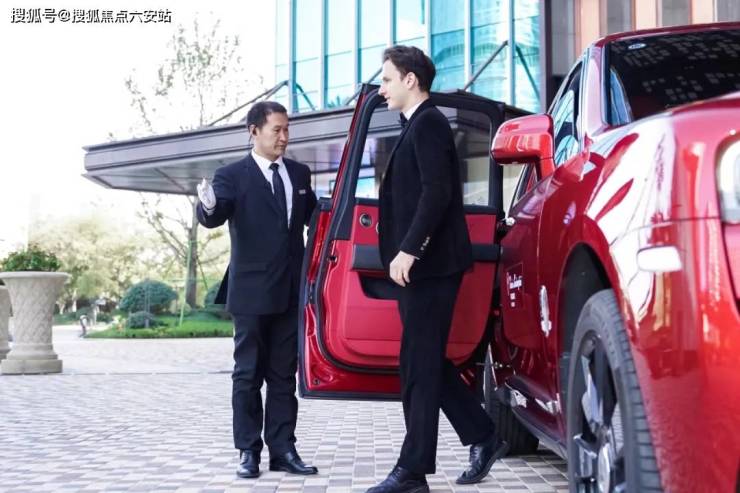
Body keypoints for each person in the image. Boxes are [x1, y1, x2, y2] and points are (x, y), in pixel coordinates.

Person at [367, 46, 509, 493]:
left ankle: (413, 472)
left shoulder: (428, 123)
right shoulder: (416, 125)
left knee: (418, 366)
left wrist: (410, 249)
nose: (381, 89)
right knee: (422, 361)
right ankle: (483, 434)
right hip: (422, 270)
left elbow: (438, 192)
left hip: (430, 267)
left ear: (410, 80)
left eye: (387, 79)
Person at [196, 101, 318, 479]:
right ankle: (248, 450)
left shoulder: (299, 173)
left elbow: (315, 220)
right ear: (254, 131)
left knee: (283, 375)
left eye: (287, 130)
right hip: (250, 292)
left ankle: (283, 450)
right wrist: (207, 205)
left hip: (290, 290)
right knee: (247, 374)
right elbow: (214, 215)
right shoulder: (231, 175)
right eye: (276, 130)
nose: (284, 137)